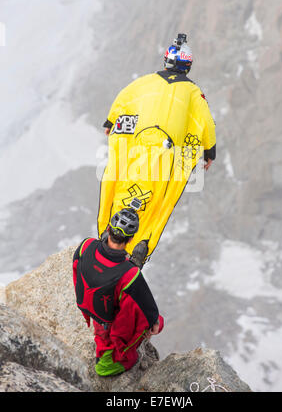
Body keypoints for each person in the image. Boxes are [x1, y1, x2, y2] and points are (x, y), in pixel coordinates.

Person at [98, 33, 216, 268]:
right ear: (188, 65)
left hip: (136, 149)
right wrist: (209, 151)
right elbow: (206, 122)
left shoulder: (143, 82)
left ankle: (109, 237)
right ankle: (140, 244)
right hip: (167, 155)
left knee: (123, 188)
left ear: (165, 61)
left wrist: (110, 122)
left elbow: (123, 99)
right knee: (157, 202)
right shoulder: (194, 93)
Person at [73, 206, 164, 377]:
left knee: (125, 292)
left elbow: (77, 271)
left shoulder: (86, 245)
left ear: (108, 229)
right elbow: (147, 313)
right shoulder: (130, 274)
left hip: (87, 304)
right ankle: (111, 360)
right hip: (108, 320)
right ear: (131, 240)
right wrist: (133, 266)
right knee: (156, 319)